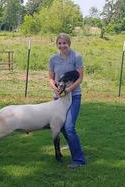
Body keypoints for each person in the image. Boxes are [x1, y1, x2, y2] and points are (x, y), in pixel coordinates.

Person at [48, 33, 86, 168]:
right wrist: (55, 88)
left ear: (69, 43)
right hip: (58, 98)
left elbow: (80, 78)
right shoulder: (53, 59)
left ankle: (79, 160)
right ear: (56, 44)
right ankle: (75, 149)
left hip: (73, 96)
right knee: (62, 127)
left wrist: (69, 90)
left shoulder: (76, 57)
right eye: (59, 43)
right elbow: (51, 78)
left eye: (64, 43)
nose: (62, 45)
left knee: (69, 126)